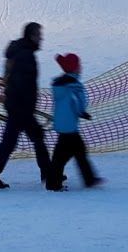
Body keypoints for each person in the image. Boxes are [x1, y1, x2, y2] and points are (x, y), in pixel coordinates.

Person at [0, 22, 52, 190]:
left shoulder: (17, 53)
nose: (41, 38)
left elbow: (11, 80)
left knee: (14, 141)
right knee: (34, 138)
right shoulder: (26, 56)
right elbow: (22, 84)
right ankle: (48, 174)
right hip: (21, 107)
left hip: (16, 105)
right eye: (38, 35)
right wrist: (25, 105)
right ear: (31, 36)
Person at [45, 52, 101, 191]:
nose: (80, 67)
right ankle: (54, 183)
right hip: (70, 125)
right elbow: (76, 101)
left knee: (75, 152)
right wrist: (81, 112)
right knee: (65, 155)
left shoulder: (59, 84)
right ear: (75, 68)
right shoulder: (74, 84)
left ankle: (88, 179)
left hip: (62, 124)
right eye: (79, 65)